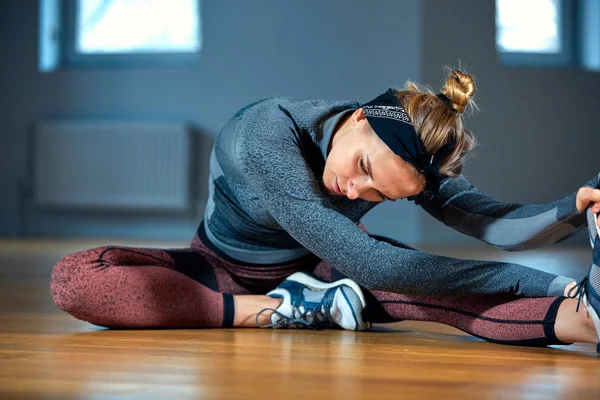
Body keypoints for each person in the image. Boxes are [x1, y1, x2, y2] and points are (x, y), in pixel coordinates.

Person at [51, 68, 600, 352]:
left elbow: (494, 225)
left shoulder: (404, 163)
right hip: (222, 272)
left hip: (331, 274)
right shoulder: (268, 133)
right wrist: (547, 283)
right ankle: (279, 311)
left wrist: (575, 207)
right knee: (75, 279)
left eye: (381, 195)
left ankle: (587, 322)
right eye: (362, 168)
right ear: (360, 117)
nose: (354, 190)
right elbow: (377, 265)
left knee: (438, 297)